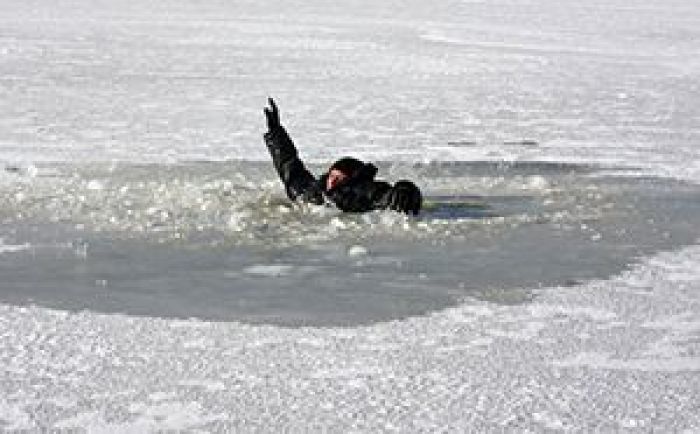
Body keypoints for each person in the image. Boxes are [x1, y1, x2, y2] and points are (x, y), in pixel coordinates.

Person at [263, 98, 422, 215]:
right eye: (333, 176)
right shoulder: (312, 191)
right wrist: (275, 132)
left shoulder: (362, 191)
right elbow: (289, 165)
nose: (332, 181)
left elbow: (387, 195)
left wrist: (404, 191)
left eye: (340, 178)